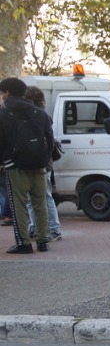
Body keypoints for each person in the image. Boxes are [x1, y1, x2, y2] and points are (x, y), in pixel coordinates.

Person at [1, 76, 56, 255]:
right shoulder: (40, 113)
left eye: (2, 92)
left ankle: (24, 242)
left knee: (18, 205)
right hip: (39, 164)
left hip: (14, 165)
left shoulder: (3, 113)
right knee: (40, 204)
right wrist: (45, 159)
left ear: (7, 92)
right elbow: (50, 139)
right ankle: (43, 241)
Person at [23, 86, 62, 241]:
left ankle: (52, 228)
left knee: (41, 196)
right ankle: (39, 226)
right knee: (40, 196)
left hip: (41, 162)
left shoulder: (38, 117)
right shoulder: (43, 115)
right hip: (45, 161)